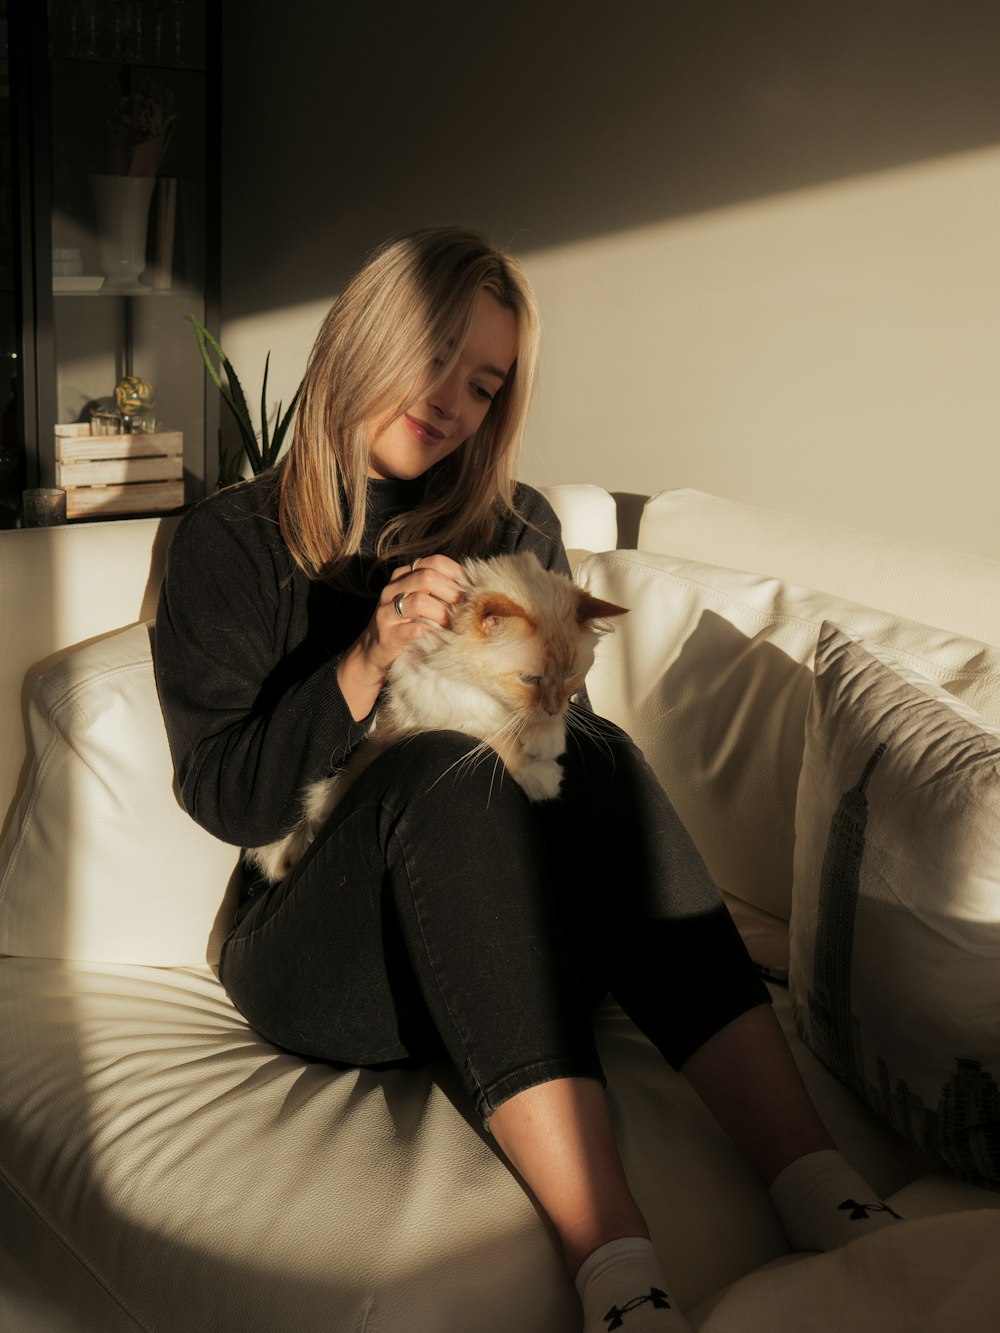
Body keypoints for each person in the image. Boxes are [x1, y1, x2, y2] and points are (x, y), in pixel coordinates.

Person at [155, 226, 901, 1332]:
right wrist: (367, 657)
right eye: (437, 357)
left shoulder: (515, 528)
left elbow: (563, 789)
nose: (451, 399)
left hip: (496, 939)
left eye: (485, 381)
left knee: (583, 746)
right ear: (369, 336)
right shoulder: (229, 542)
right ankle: (616, 1270)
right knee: (445, 764)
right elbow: (232, 802)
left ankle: (823, 1189)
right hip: (320, 952)